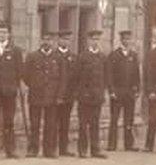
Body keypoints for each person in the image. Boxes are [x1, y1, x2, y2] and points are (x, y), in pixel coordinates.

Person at [0, 22, 23, 159]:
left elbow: (20, 72)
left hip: (9, 93)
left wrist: (13, 87)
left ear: (9, 34)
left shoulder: (15, 51)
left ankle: (10, 150)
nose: (2, 35)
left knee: (9, 122)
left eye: (4, 32)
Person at [23, 31, 62, 158]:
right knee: (35, 124)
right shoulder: (32, 56)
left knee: (50, 125)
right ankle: (33, 149)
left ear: (53, 42)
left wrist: (59, 95)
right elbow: (25, 76)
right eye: (44, 39)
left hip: (52, 96)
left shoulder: (58, 58)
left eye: (49, 40)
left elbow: (63, 78)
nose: (47, 42)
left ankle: (48, 150)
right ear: (40, 41)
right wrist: (35, 85)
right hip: (36, 95)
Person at [75, 29, 107, 158]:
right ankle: (82, 149)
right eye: (93, 39)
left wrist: (102, 93)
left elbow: (105, 77)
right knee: (83, 124)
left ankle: (95, 149)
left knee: (95, 124)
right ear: (89, 40)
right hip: (84, 97)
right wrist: (80, 93)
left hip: (97, 97)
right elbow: (76, 77)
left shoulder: (103, 57)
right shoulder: (82, 57)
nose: (96, 42)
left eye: (98, 39)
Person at [106, 30, 140, 152]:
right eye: (125, 39)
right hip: (117, 92)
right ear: (121, 40)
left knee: (129, 118)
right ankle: (112, 144)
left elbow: (136, 74)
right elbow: (109, 75)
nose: (127, 41)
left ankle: (128, 144)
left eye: (129, 39)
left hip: (130, 92)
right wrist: (111, 91)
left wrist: (137, 89)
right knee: (114, 118)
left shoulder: (133, 55)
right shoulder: (114, 55)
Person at [54, 30, 77, 157]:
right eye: (63, 39)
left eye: (68, 39)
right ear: (59, 40)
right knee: (53, 122)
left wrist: (73, 93)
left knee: (65, 123)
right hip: (55, 96)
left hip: (68, 96)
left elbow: (75, 77)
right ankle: (52, 148)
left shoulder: (73, 57)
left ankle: (63, 149)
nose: (65, 42)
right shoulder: (54, 55)